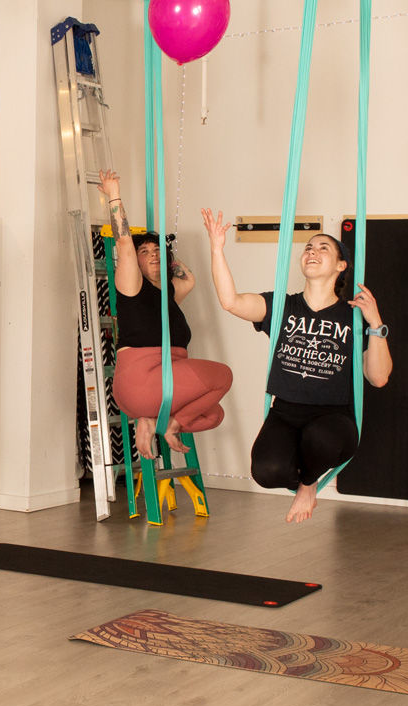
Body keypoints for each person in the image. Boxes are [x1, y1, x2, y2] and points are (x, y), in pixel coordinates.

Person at [204, 210, 392, 523]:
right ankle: (306, 478)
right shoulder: (282, 307)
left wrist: (375, 324)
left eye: (323, 248)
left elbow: (379, 377)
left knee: (320, 439)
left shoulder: (353, 315)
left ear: (341, 265)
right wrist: (216, 248)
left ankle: (308, 485)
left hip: (334, 418)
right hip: (286, 413)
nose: (312, 252)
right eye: (308, 248)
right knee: (265, 471)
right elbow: (231, 301)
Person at [98, 170, 232, 461]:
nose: (153, 254)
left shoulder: (168, 295)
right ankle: (171, 425)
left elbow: (189, 279)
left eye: (157, 251)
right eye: (144, 252)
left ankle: (150, 420)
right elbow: (123, 242)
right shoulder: (131, 287)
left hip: (159, 389)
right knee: (223, 376)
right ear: (135, 261)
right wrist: (113, 193)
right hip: (142, 379)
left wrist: (164, 252)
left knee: (214, 414)